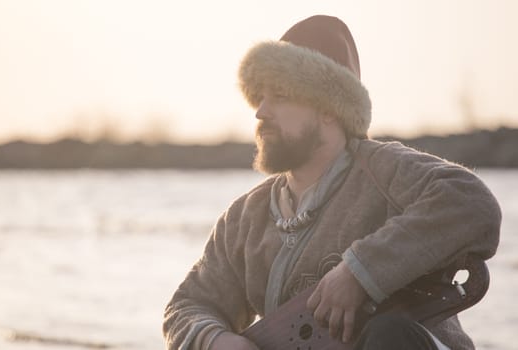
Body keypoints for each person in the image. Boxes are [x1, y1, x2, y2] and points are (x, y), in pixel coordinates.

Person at [163, 15, 500, 350]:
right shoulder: (244, 219)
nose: (260, 111)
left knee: (390, 333)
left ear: (329, 108)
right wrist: (216, 340)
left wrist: (361, 272)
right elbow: (187, 306)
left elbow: (471, 203)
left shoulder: (384, 170)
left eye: (279, 95)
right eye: (259, 96)